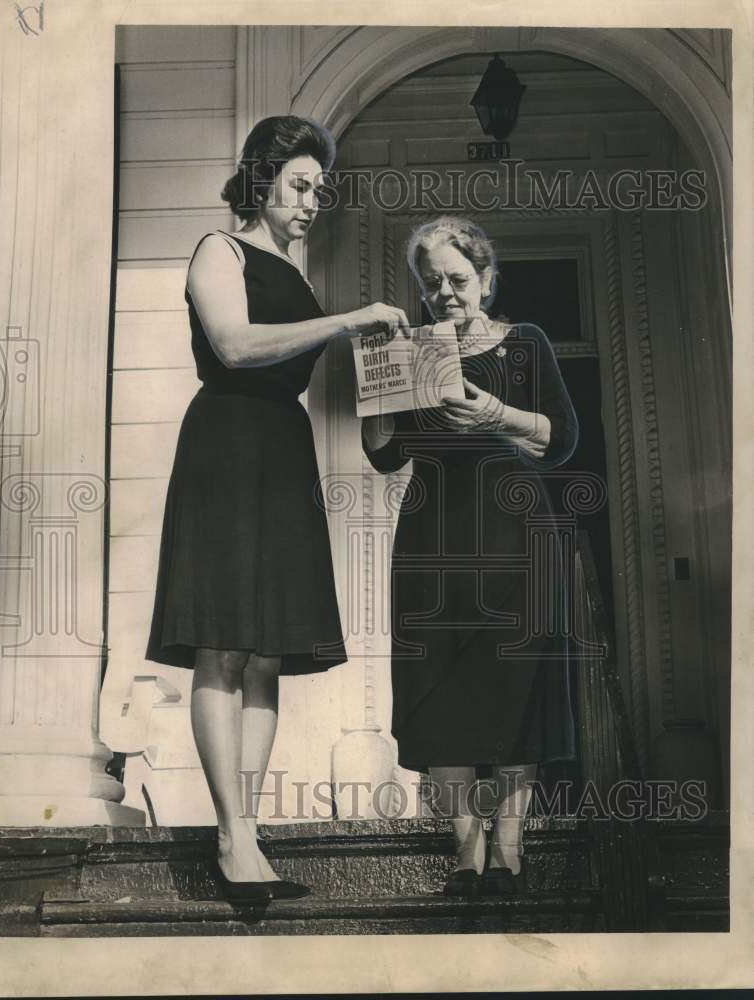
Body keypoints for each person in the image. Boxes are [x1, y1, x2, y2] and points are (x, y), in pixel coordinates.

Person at [145, 116, 409, 903]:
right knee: (222, 645)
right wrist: (348, 319)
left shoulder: (293, 268)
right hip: (226, 445)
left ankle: (249, 834)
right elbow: (234, 345)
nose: (311, 202)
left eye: (319, 191)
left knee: (266, 655)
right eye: (300, 185)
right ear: (262, 181)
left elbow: (311, 354)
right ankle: (230, 836)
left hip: (282, 450)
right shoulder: (217, 250)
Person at [362, 216, 579, 897]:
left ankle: (510, 849)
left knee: (517, 687)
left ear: (486, 278)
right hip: (433, 539)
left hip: (517, 535)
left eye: (459, 279)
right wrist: (377, 378)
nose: (446, 293)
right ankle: (467, 850)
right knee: (442, 691)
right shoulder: (418, 350)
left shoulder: (526, 345)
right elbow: (383, 454)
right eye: (433, 284)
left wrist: (492, 413)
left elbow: (562, 440)